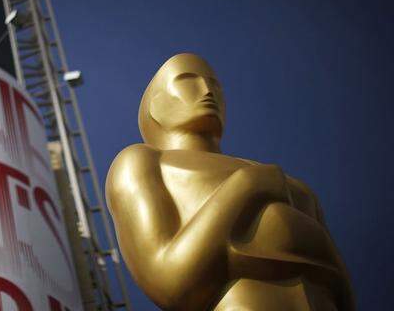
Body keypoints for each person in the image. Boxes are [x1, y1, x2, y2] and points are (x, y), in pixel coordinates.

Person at [106, 54, 354, 310]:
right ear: (155, 106)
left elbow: (344, 289)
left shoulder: (297, 188)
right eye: (187, 81)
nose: (207, 91)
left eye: (215, 85)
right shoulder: (142, 161)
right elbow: (169, 282)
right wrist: (247, 187)